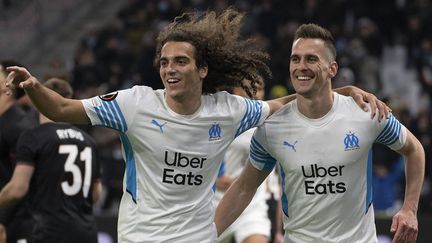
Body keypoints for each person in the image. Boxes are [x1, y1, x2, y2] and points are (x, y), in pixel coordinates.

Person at [6, 9, 387, 242]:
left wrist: (343, 92)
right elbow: (59, 107)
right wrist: (33, 84)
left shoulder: (228, 110)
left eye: (181, 62)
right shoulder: (133, 104)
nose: (169, 69)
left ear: (202, 69)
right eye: (165, 62)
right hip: (141, 237)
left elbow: (280, 103)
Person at [215, 23, 425, 243]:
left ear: (332, 69)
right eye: (295, 59)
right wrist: (208, 235)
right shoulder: (271, 127)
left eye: (311, 59)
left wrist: (410, 208)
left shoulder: (366, 112)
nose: (301, 66)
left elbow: (414, 149)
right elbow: (243, 189)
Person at [0, 78, 102, 243]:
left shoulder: (34, 137)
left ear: (37, 100)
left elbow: (17, 189)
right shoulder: (88, 140)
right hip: (86, 232)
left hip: (49, 231)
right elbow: (96, 193)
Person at [214, 80, 275, 243]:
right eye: (249, 88)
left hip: (251, 201)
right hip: (214, 201)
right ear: (235, 89)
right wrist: (214, 179)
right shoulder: (217, 116)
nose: (255, 92)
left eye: (260, 88)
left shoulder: (268, 124)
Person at [0, 60, 37, 243]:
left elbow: (21, 185)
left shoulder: (19, 127)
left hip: (16, 224)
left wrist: (2, 220)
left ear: (9, 84)